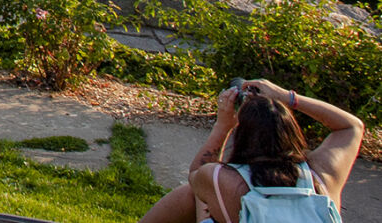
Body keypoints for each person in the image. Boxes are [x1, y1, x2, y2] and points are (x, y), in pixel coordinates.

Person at [140, 79, 365, 223]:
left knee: (196, 194)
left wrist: (223, 126)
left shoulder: (226, 181)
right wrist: (287, 97)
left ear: (243, 135)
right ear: (291, 130)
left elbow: (196, 174)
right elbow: (352, 126)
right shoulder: (322, 177)